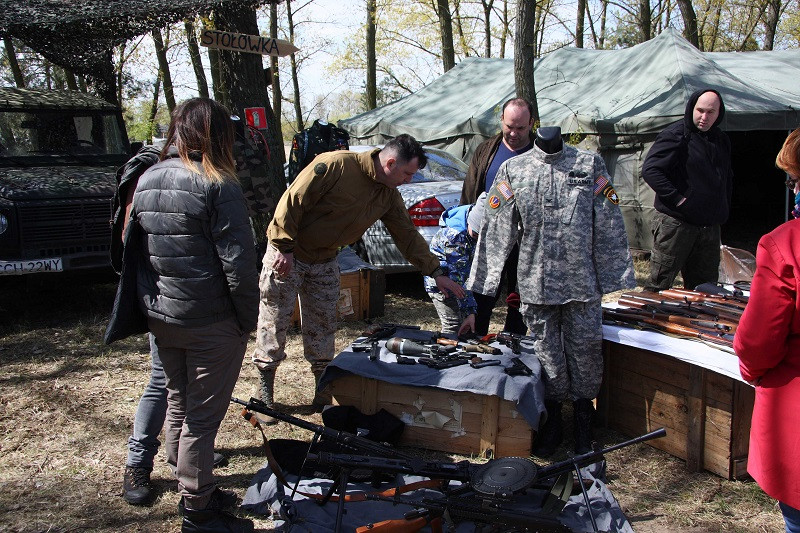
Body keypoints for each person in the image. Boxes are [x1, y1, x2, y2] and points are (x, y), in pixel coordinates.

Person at [251, 134, 465, 416]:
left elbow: (407, 235)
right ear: (390, 163)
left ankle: (321, 390)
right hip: (289, 253)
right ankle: (265, 393)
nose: (409, 181)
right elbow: (292, 201)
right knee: (274, 321)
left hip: (326, 259)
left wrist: (435, 271)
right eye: (407, 173)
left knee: (323, 324)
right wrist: (282, 246)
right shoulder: (335, 165)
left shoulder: (388, 194)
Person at [128, 98, 259, 533]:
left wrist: (152, 309)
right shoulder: (219, 183)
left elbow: (135, 257)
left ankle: (191, 480)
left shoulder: (147, 178)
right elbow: (239, 265)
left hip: (164, 317)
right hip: (209, 320)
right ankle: (198, 509)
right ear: (217, 135)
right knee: (201, 418)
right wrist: (248, 321)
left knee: (181, 401)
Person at [468, 126, 635, 456]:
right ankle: (555, 418)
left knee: (586, 350)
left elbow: (610, 214)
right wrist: (488, 278)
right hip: (536, 282)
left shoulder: (590, 165)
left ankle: (584, 421)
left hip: (582, 284)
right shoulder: (513, 170)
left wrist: (615, 272)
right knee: (547, 352)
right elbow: (496, 222)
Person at [733, 129, 800, 533]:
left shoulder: (785, 245)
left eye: (795, 179)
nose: (793, 189)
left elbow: (757, 343)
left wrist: (751, 369)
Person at [642, 88, 734, 291]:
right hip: (677, 224)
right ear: (692, 107)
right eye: (700, 110)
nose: (704, 117)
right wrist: (678, 199)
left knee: (705, 289)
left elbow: (725, 177)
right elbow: (651, 170)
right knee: (659, 285)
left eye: (711, 112)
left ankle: (697, 322)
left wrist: (722, 209)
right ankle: (648, 321)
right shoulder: (676, 135)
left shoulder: (720, 140)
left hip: (709, 227)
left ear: (719, 113)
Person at [460, 98, 534, 336]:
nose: (514, 133)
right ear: (501, 120)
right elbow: (471, 189)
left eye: (520, 128)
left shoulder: (540, 151)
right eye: (509, 126)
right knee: (482, 295)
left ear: (532, 123)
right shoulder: (486, 150)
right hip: (489, 238)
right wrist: (469, 221)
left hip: (526, 241)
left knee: (519, 300)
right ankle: (476, 341)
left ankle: (513, 345)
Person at [424, 192, 487, 335]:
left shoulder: (473, 212)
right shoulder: (455, 237)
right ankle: (444, 353)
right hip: (441, 282)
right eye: (476, 234)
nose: (478, 239)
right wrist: (470, 311)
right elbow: (458, 279)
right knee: (452, 326)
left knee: (464, 328)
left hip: (459, 278)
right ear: (471, 222)